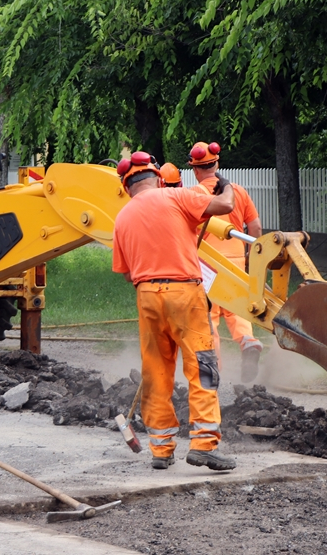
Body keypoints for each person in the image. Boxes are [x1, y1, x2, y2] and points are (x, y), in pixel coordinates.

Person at [112, 150, 237, 471]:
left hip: (147, 297)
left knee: (156, 372)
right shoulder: (176, 196)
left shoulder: (122, 218)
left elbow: (127, 273)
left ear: (127, 187)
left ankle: (161, 449)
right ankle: (204, 444)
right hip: (185, 292)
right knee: (203, 366)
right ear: (156, 178)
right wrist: (226, 185)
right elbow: (225, 207)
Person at [188, 141, 264, 382]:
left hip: (208, 263)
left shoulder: (194, 195)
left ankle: (213, 368)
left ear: (195, 170)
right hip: (237, 258)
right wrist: (252, 256)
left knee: (208, 315)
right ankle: (249, 341)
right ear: (217, 164)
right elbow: (255, 227)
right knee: (237, 308)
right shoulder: (238, 191)